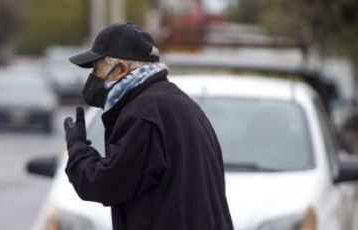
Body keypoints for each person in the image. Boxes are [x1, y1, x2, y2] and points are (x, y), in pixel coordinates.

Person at [64, 23, 233, 230]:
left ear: (120, 69)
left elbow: (106, 184)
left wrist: (77, 148)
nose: (92, 77)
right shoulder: (174, 102)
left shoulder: (143, 114)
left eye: (96, 68)